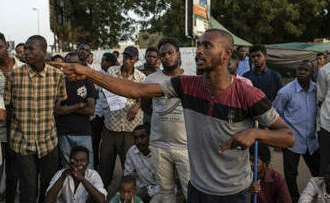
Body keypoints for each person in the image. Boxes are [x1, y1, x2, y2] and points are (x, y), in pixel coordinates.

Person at [51, 29, 295, 203]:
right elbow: (136, 90)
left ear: (226, 53)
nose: (199, 50)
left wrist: (255, 132)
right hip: (198, 189)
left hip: (234, 192)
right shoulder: (186, 85)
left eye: (206, 45)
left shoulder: (247, 93)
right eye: (198, 44)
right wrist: (87, 73)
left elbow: (287, 136)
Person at [5, 35, 67, 203]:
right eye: (25, 48)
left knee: (48, 185)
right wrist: (11, 141)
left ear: (43, 52)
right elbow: (9, 109)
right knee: (28, 187)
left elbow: (58, 104)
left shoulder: (57, 76)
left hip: (48, 142)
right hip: (22, 142)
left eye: (31, 49)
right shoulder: (14, 76)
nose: (26, 52)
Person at [143, 38, 190, 202]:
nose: (167, 57)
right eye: (162, 55)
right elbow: (146, 107)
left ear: (178, 54)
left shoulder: (191, 79)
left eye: (170, 53)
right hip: (159, 145)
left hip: (186, 146)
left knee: (190, 190)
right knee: (166, 191)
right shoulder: (150, 80)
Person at [98, 46, 145, 189]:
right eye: (125, 57)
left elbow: (147, 96)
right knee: (105, 164)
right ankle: (101, 192)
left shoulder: (141, 77)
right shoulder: (112, 71)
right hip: (111, 126)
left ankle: (127, 194)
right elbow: (104, 90)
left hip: (130, 129)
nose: (127, 60)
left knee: (128, 165)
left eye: (131, 58)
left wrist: (138, 105)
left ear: (136, 60)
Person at [273, 60, 320, 203]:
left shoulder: (317, 90)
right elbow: (275, 114)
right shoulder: (285, 92)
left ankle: (319, 198)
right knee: (291, 174)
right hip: (292, 140)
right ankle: (293, 199)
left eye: (305, 70)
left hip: (312, 140)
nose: (301, 72)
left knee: (318, 173)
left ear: (312, 73)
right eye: (299, 70)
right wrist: (281, 136)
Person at [56, 52, 97, 169]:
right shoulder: (60, 82)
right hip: (64, 131)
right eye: (69, 63)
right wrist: (78, 105)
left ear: (81, 64)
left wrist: (67, 108)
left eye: (75, 63)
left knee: (87, 166)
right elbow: (58, 111)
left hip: (83, 131)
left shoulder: (87, 82)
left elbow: (90, 110)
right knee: (68, 166)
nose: (72, 66)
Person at [0, 33, 23, 203]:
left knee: (14, 177)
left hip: (18, 133)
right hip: (0, 135)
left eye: (0, 47)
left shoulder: (23, 68)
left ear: (7, 45)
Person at [92, 52, 117, 168]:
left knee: (107, 144)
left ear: (110, 63)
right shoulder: (98, 75)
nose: (101, 63)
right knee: (95, 141)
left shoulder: (115, 75)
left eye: (104, 60)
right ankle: (95, 165)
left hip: (111, 114)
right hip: (98, 113)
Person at [124, 124, 161, 202]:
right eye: (136, 138)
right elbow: (127, 175)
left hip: (161, 190)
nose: (139, 141)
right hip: (143, 187)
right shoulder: (132, 152)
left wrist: (147, 194)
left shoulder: (159, 152)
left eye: (142, 137)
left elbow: (165, 184)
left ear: (150, 137)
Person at [317, 62, 330, 176]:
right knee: (325, 162)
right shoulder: (324, 71)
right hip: (327, 124)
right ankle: (323, 192)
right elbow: (321, 96)